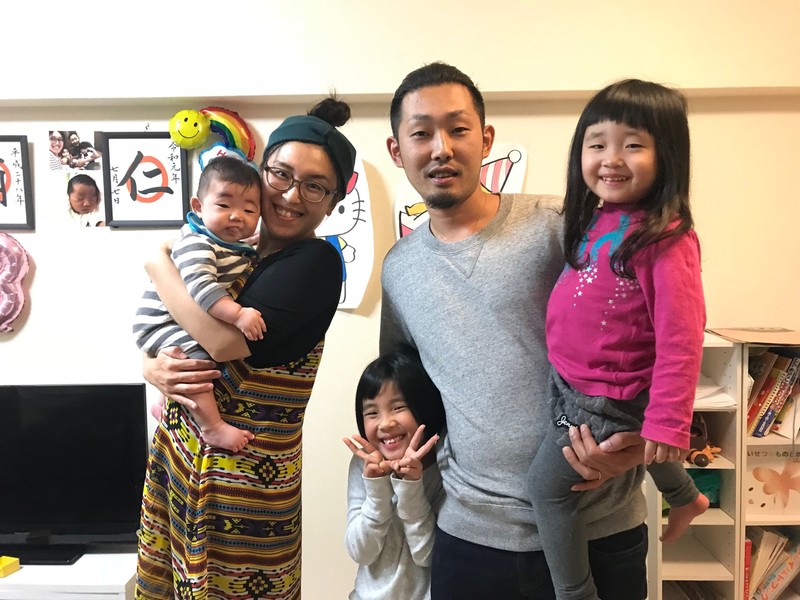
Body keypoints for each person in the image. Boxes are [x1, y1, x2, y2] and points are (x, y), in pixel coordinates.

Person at [380, 61, 650, 600]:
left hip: (597, 526)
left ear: (486, 139)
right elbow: (403, 385)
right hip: (471, 535)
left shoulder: (563, 225)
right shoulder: (399, 269)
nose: (441, 148)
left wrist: (644, 440)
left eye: (458, 129)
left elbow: (659, 329)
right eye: (421, 133)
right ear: (397, 150)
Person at [134, 96, 356, 600]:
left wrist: (156, 262)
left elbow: (219, 341)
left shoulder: (315, 263)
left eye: (314, 185)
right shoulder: (234, 250)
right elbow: (168, 325)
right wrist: (151, 366)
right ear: (261, 173)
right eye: (281, 174)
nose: (291, 195)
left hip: (245, 491)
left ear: (332, 201)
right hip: (182, 467)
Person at [526, 79, 708, 600]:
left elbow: (682, 336)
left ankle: (574, 592)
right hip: (576, 379)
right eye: (597, 143)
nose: (611, 158)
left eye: (632, 144)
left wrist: (669, 421)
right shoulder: (597, 216)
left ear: (666, 155)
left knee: (546, 490)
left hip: (609, 394)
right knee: (643, 441)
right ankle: (687, 497)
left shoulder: (666, 238)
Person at [133, 155, 265, 452]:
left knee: (184, 359)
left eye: (248, 209)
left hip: (173, 320)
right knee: (196, 361)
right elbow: (203, 289)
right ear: (198, 206)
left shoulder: (228, 244)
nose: (236, 216)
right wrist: (238, 315)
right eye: (224, 205)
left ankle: (163, 401)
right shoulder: (198, 242)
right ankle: (212, 427)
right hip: (160, 321)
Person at [343, 343, 446, 600]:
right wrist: (377, 489)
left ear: (422, 406)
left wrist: (411, 487)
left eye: (398, 407)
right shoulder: (363, 466)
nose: (386, 423)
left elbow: (428, 557)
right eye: (372, 412)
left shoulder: (443, 465)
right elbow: (361, 552)